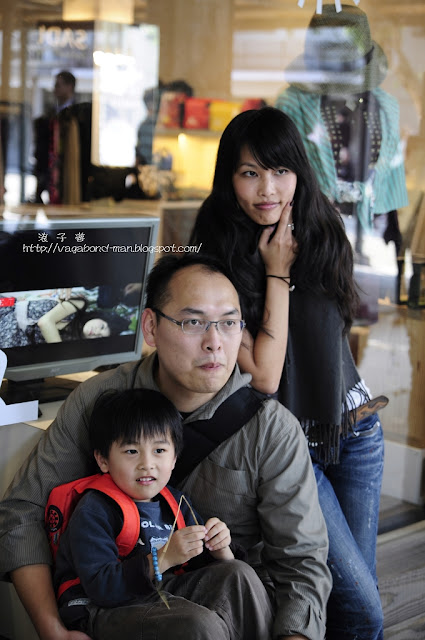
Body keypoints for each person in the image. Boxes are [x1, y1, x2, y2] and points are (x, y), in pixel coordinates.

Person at [0, 253, 331, 640]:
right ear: (151, 327)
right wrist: (52, 630)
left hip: (230, 607)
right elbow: (23, 512)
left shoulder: (271, 430)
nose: (214, 343)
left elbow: (301, 564)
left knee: (236, 581)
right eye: (193, 322)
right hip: (117, 603)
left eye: (228, 323)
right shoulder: (100, 400)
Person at [189, 107, 385, 640]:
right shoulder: (216, 260)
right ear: (229, 179)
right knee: (363, 610)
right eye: (250, 173)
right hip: (292, 449)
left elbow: (332, 338)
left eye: (280, 171)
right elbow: (264, 377)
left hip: (356, 430)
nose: (267, 189)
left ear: (298, 171)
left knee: (353, 602)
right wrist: (276, 270)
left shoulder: (323, 230)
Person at [54, 387, 273, 638]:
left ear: (174, 458)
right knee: (199, 624)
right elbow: (102, 588)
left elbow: (199, 564)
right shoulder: (95, 509)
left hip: (163, 594)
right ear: (103, 460)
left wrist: (220, 548)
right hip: (104, 608)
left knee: (239, 573)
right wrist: (164, 558)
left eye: (159, 451)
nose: (147, 464)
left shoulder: (176, 501)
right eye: (131, 451)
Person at [275, 4, 408, 268]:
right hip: (309, 238)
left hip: (373, 241)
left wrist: (393, 241)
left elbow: (391, 183)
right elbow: (278, 173)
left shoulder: (386, 106)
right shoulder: (293, 104)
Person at [0, 295, 128, 347]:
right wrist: (61, 354)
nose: (96, 332)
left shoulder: (73, 342)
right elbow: (45, 322)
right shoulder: (79, 305)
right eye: (102, 327)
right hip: (8, 309)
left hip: (11, 338)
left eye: (100, 336)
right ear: (100, 317)